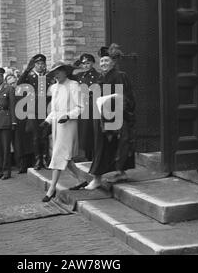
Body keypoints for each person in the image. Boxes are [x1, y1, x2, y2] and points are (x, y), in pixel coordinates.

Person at [82, 44, 136, 190]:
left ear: (113, 62)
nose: (103, 64)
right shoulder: (102, 77)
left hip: (115, 117)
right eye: (102, 62)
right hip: (103, 117)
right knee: (104, 147)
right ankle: (117, 173)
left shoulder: (120, 76)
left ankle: (100, 177)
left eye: (106, 61)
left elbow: (125, 97)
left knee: (113, 146)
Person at [39, 62, 84, 202]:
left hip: (68, 124)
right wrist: (47, 121)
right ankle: (81, 179)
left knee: (58, 154)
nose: (56, 75)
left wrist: (69, 115)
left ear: (65, 72)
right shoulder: (55, 87)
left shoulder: (73, 85)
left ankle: (52, 189)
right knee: (66, 156)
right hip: (57, 125)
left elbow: (81, 107)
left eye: (58, 72)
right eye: (54, 73)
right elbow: (55, 109)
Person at [17, 54, 53, 170]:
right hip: (33, 110)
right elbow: (19, 83)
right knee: (36, 136)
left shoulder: (49, 77)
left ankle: (45, 159)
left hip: (46, 110)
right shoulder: (30, 77)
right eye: (38, 64)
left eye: (42, 64)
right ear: (34, 66)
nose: (40, 66)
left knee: (45, 136)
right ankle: (37, 160)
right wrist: (27, 70)